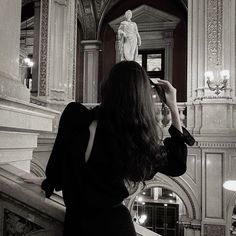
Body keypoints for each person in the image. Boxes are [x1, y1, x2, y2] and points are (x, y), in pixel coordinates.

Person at [40, 61, 194, 236]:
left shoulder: (75, 116)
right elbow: (177, 165)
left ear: (107, 87)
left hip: (76, 226)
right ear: (141, 97)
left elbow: (55, 178)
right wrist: (173, 107)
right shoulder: (135, 139)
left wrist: (47, 182)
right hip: (117, 227)